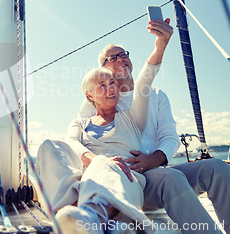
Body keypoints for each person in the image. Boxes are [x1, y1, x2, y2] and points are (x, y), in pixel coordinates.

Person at [76, 19, 230, 234]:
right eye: (112, 58)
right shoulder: (96, 102)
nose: (120, 59)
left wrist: (153, 160)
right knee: (170, 177)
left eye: (123, 54)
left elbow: (169, 136)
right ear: (103, 69)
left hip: (159, 172)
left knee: (219, 169)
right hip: (130, 180)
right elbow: (79, 140)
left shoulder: (156, 95)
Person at [38, 19, 167, 234]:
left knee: (103, 167)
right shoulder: (80, 122)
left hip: (125, 179)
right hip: (92, 177)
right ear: (90, 95)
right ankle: (73, 215)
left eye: (113, 84)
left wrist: (160, 46)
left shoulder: (132, 117)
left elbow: (144, 82)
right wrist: (98, 160)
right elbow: (70, 142)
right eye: (102, 85)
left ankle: (90, 217)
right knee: (50, 146)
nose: (110, 89)